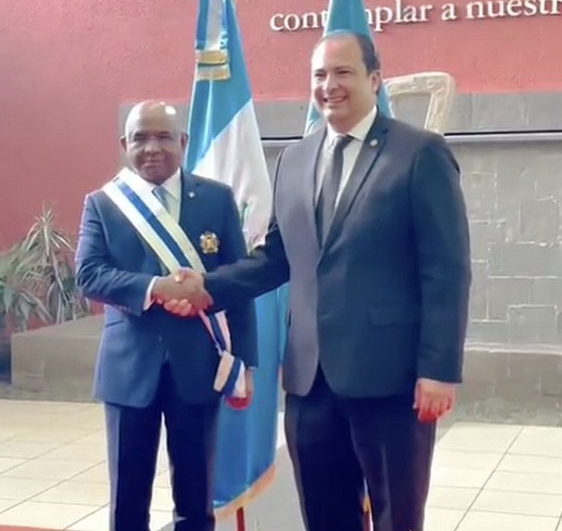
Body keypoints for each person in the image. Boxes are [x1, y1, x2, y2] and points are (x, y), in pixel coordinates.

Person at [157, 31, 471, 531]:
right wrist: (206, 287)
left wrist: (439, 369)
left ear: (374, 79)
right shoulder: (295, 159)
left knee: (397, 517)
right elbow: (276, 259)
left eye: (343, 72)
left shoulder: (419, 153)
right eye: (320, 75)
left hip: (389, 379)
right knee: (324, 517)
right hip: (310, 381)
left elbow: (446, 270)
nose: (329, 85)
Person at [74, 100, 258, 531]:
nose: (151, 147)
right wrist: (157, 289)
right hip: (128, 369)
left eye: (163, 137)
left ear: (183, 142)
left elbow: (239, 284)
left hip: (198, 365)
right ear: (125, 144)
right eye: (140, 138)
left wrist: (245, 363)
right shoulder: (103, 203)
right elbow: (88, 274)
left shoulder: (216, 199)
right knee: (127, 501)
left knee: (195, 500)